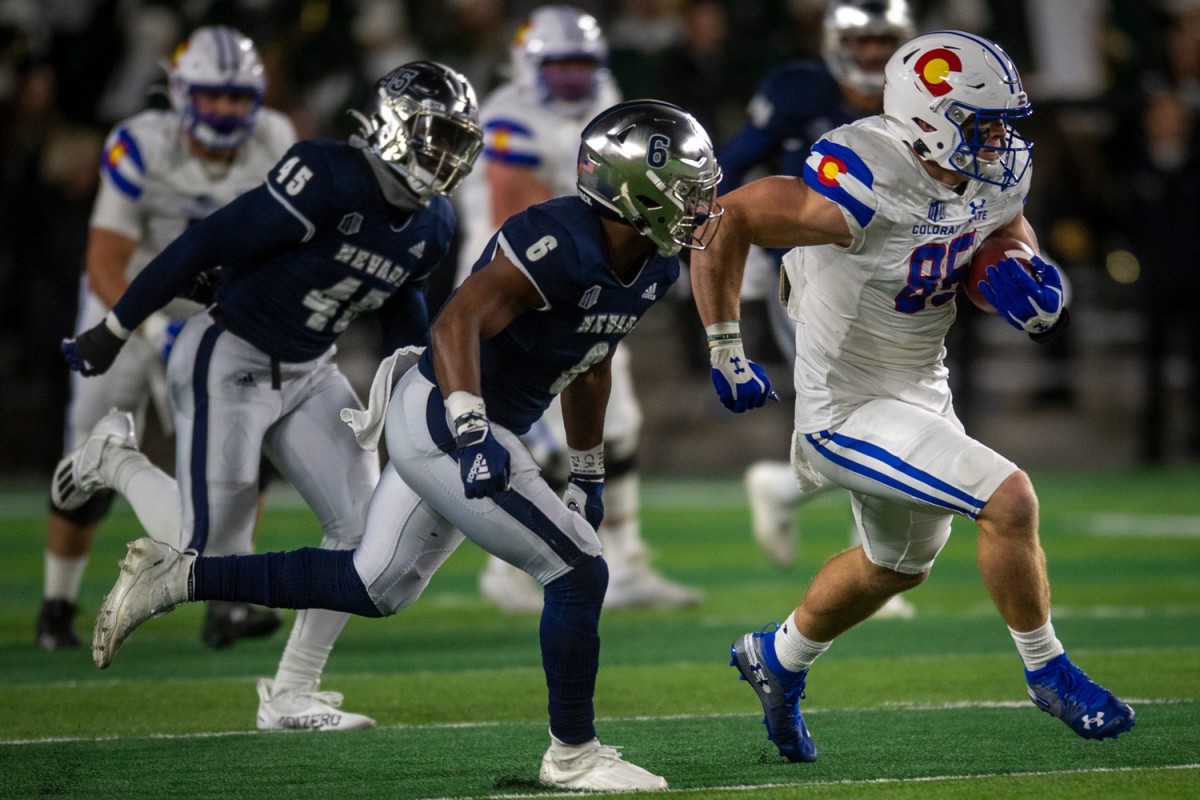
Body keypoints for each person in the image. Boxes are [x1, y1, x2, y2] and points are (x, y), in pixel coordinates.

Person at [87, 100, 773, 790]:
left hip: (469, 416)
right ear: (632, 187)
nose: (704, 203)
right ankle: (573, 754)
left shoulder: (653, 262)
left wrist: (588, 472)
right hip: (450, 407)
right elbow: (454, 325)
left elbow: (591, 360)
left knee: (372, 585)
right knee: (577, 571)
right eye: (689, 188)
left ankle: (176, 577)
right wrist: (472, 432)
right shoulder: (557, 237)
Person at [687, 30, 1135, 763]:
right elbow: (724, 221)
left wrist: (1023, 267)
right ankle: (1047, 669)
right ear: (927, 116)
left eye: (1002, 123)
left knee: (897, 565)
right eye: (979, 121)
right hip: (846, 404)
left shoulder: (993, 169)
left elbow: (1004, 228)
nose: (997, 138)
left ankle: (778, 657)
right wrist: (724, 345)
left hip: (921, 386)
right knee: (1010, 499)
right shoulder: (864, 172)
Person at [59, 61, 484, 731]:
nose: (445, 157)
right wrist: (115, 328)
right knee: (211, 556)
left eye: (456, 143)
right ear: (396, 129)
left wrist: (421, 395)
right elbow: (206, 240)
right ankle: (113, 458)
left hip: (313, 367)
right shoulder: (327, 174)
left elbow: (404, 309)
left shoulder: (434, 223)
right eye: (435, 138)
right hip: (229, 352)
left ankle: (290, 694)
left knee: (362, 533)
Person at [37, 25, 297, 651]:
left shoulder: (277, 141)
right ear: (181, 92)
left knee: (240, 450)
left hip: (219, 313)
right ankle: (56, 605)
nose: (228, 110)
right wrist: (148, 323)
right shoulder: (140, 145)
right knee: (85, 460)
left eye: (238, 98)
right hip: (125, 304)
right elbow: (103, 259)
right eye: (213, 96)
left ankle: (226, 600)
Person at [456, 4, 701, 612]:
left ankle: (624, 559)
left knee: (617, 427)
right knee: (534, 442)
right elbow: (518, 203)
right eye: (559, 64)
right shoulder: (508, 114)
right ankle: (504, 568)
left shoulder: (608, 100)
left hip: (592, 281)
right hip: (525, 286)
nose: (572, 77)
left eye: (582, 64)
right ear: (527, 63)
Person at [722, 2, 919, 619]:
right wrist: (713, 235)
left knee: (893, 406)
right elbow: (734, 162)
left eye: (882, 42)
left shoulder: (917, 97)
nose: (869, 55)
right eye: (861, 42)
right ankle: (873, 558)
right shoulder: (798, 89)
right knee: (864, 404)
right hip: (810, 264)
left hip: (897, 267)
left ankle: (784, 489)